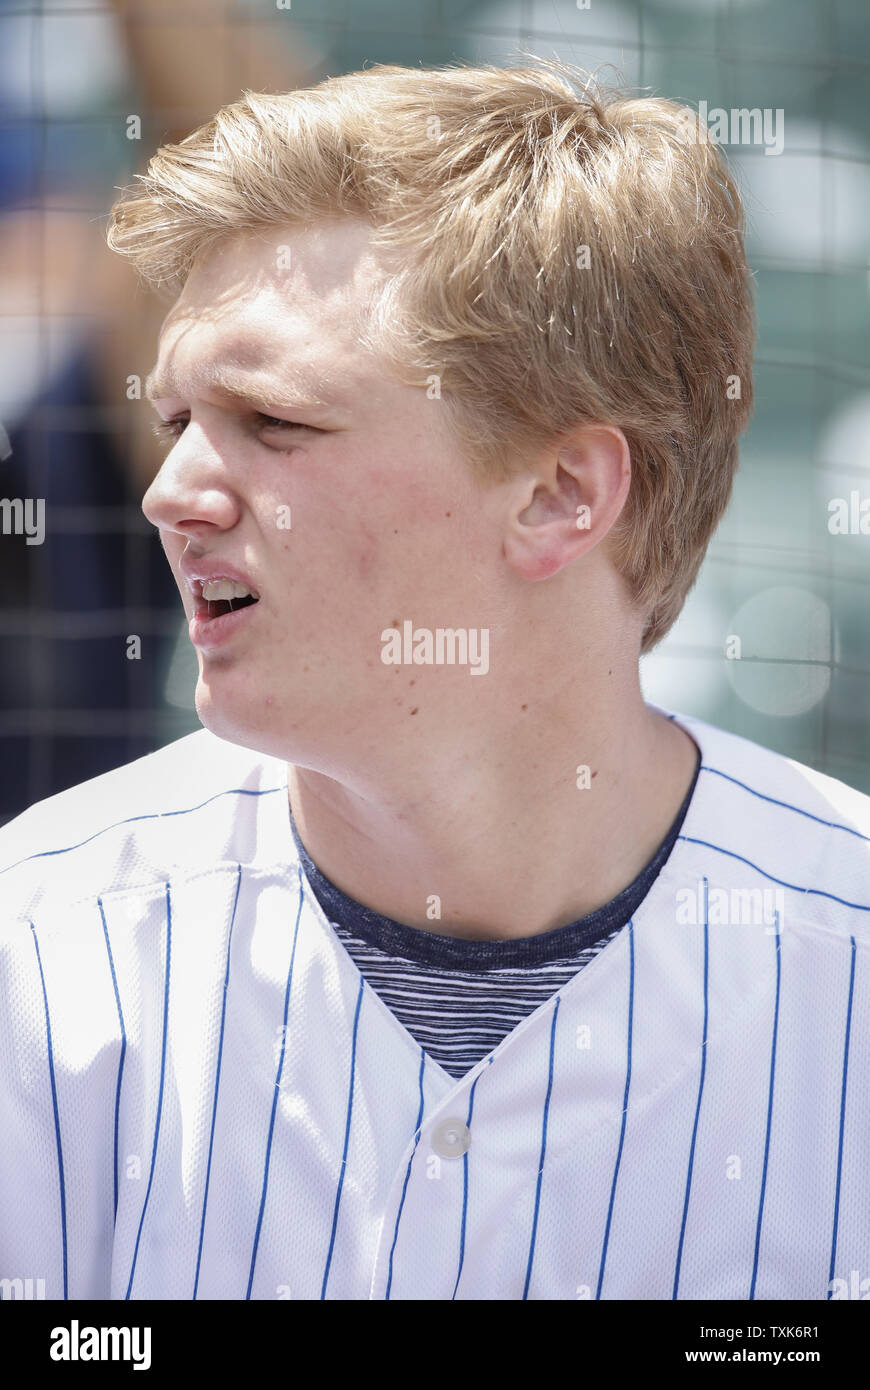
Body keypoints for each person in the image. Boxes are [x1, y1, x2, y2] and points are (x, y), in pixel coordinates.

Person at [1, 59, 867, 1302]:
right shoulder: (39, 951)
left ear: (561, 493)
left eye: (275, 423)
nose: (171, 491)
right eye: (178, 419)